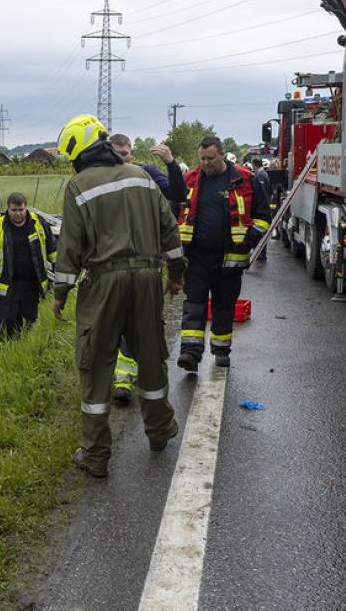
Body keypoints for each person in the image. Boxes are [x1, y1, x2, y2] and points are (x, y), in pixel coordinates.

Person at [51, 114, 187, 478]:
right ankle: (160, 431)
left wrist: (60, 293)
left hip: (104, 283)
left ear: (79, 152)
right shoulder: (141, 177)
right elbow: (169, 230)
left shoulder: (78, 186)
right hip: (147, 277)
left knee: (96, 364)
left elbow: (71, 247)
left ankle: (96, 454)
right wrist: (175, 274)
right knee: (150, 353)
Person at [157, 137, 271, 370]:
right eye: (202, 159)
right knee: (194, 304)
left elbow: (263, 216)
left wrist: (250, 239)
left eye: (210, 158)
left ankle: (221, 351)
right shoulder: (190, 180)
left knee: (224, 306)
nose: (206, 163)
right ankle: (190, 352)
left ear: (222, 155)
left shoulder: (245, 179)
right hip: (196, 257)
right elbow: (175, 212)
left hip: (231, 258)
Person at [108, 133, 172, 403]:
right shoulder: (98, 180)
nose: (122, 159)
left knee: (145, 329)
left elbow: (176, 194)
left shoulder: (147, 175)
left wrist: (170, 163)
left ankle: (144, 385)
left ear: (132, 154)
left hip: (146, 267)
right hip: (110, 271)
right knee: (115, 328)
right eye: (117, 154)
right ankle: (122, 380)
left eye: (126, 154)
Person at [0, 192, 57, 338]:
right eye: (14, 210)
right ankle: (2, 350)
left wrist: (60, 275)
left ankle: (24, 348)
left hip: (32, 283)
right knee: (7, 321)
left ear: (26, 208)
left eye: (21, 210)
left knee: (30, 319)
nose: (18, 214)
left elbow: (53, 250)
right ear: (8, 209)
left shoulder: (38, 223)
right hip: (7, 284)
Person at [251, 158, 272, 263]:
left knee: (261, 233)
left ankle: (261, 254)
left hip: (263, 207)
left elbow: (262, 193)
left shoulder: (260, 175)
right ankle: (260, 253)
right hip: (265, 205)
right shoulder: (262, 174)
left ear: (254, 164)